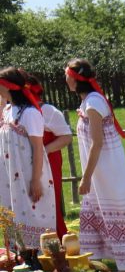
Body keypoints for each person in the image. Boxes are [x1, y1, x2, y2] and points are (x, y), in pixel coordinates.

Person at [64, 58, 125, 272]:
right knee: (96, 210)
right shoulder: (86, 102)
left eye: (67, 76)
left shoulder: (94, 103)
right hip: (97, 168)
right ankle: (100, 261)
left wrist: (86, 177)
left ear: (74, 79)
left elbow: (97, 143)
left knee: (113, 209)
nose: (65, 80)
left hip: (107, 168)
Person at [0, 67, 57, 249]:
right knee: (13, 216)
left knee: (34, 215)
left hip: (29, 174)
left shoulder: (30, 113)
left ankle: (41, 262)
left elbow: (38, 148)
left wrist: (35, 180)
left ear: (7, 87)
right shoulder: (8, 110)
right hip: (11, 177)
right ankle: (19, 262)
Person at [27, 75, 73, 238]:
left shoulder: (48, 111)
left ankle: (56, 243)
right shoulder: (18, 112)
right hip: (25, 165)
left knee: (47, 203)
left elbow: (66, 137)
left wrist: (43, 150)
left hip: (48, 163)